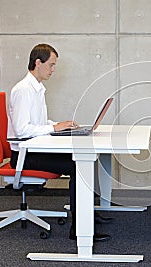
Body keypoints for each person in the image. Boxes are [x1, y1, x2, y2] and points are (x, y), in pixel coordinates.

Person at [7, 43, 112, 241]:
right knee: (78, 165)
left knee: (85, 159)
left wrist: (58, 125)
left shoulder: (36, 88)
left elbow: (37, 123)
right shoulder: (23, 90)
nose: (53, 70)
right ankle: (80, 228)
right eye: (51, 65)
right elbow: (21, 130)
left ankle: (88, 213)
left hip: (35, 150)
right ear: (38, 62)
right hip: (24, 156)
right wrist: (54, 128)